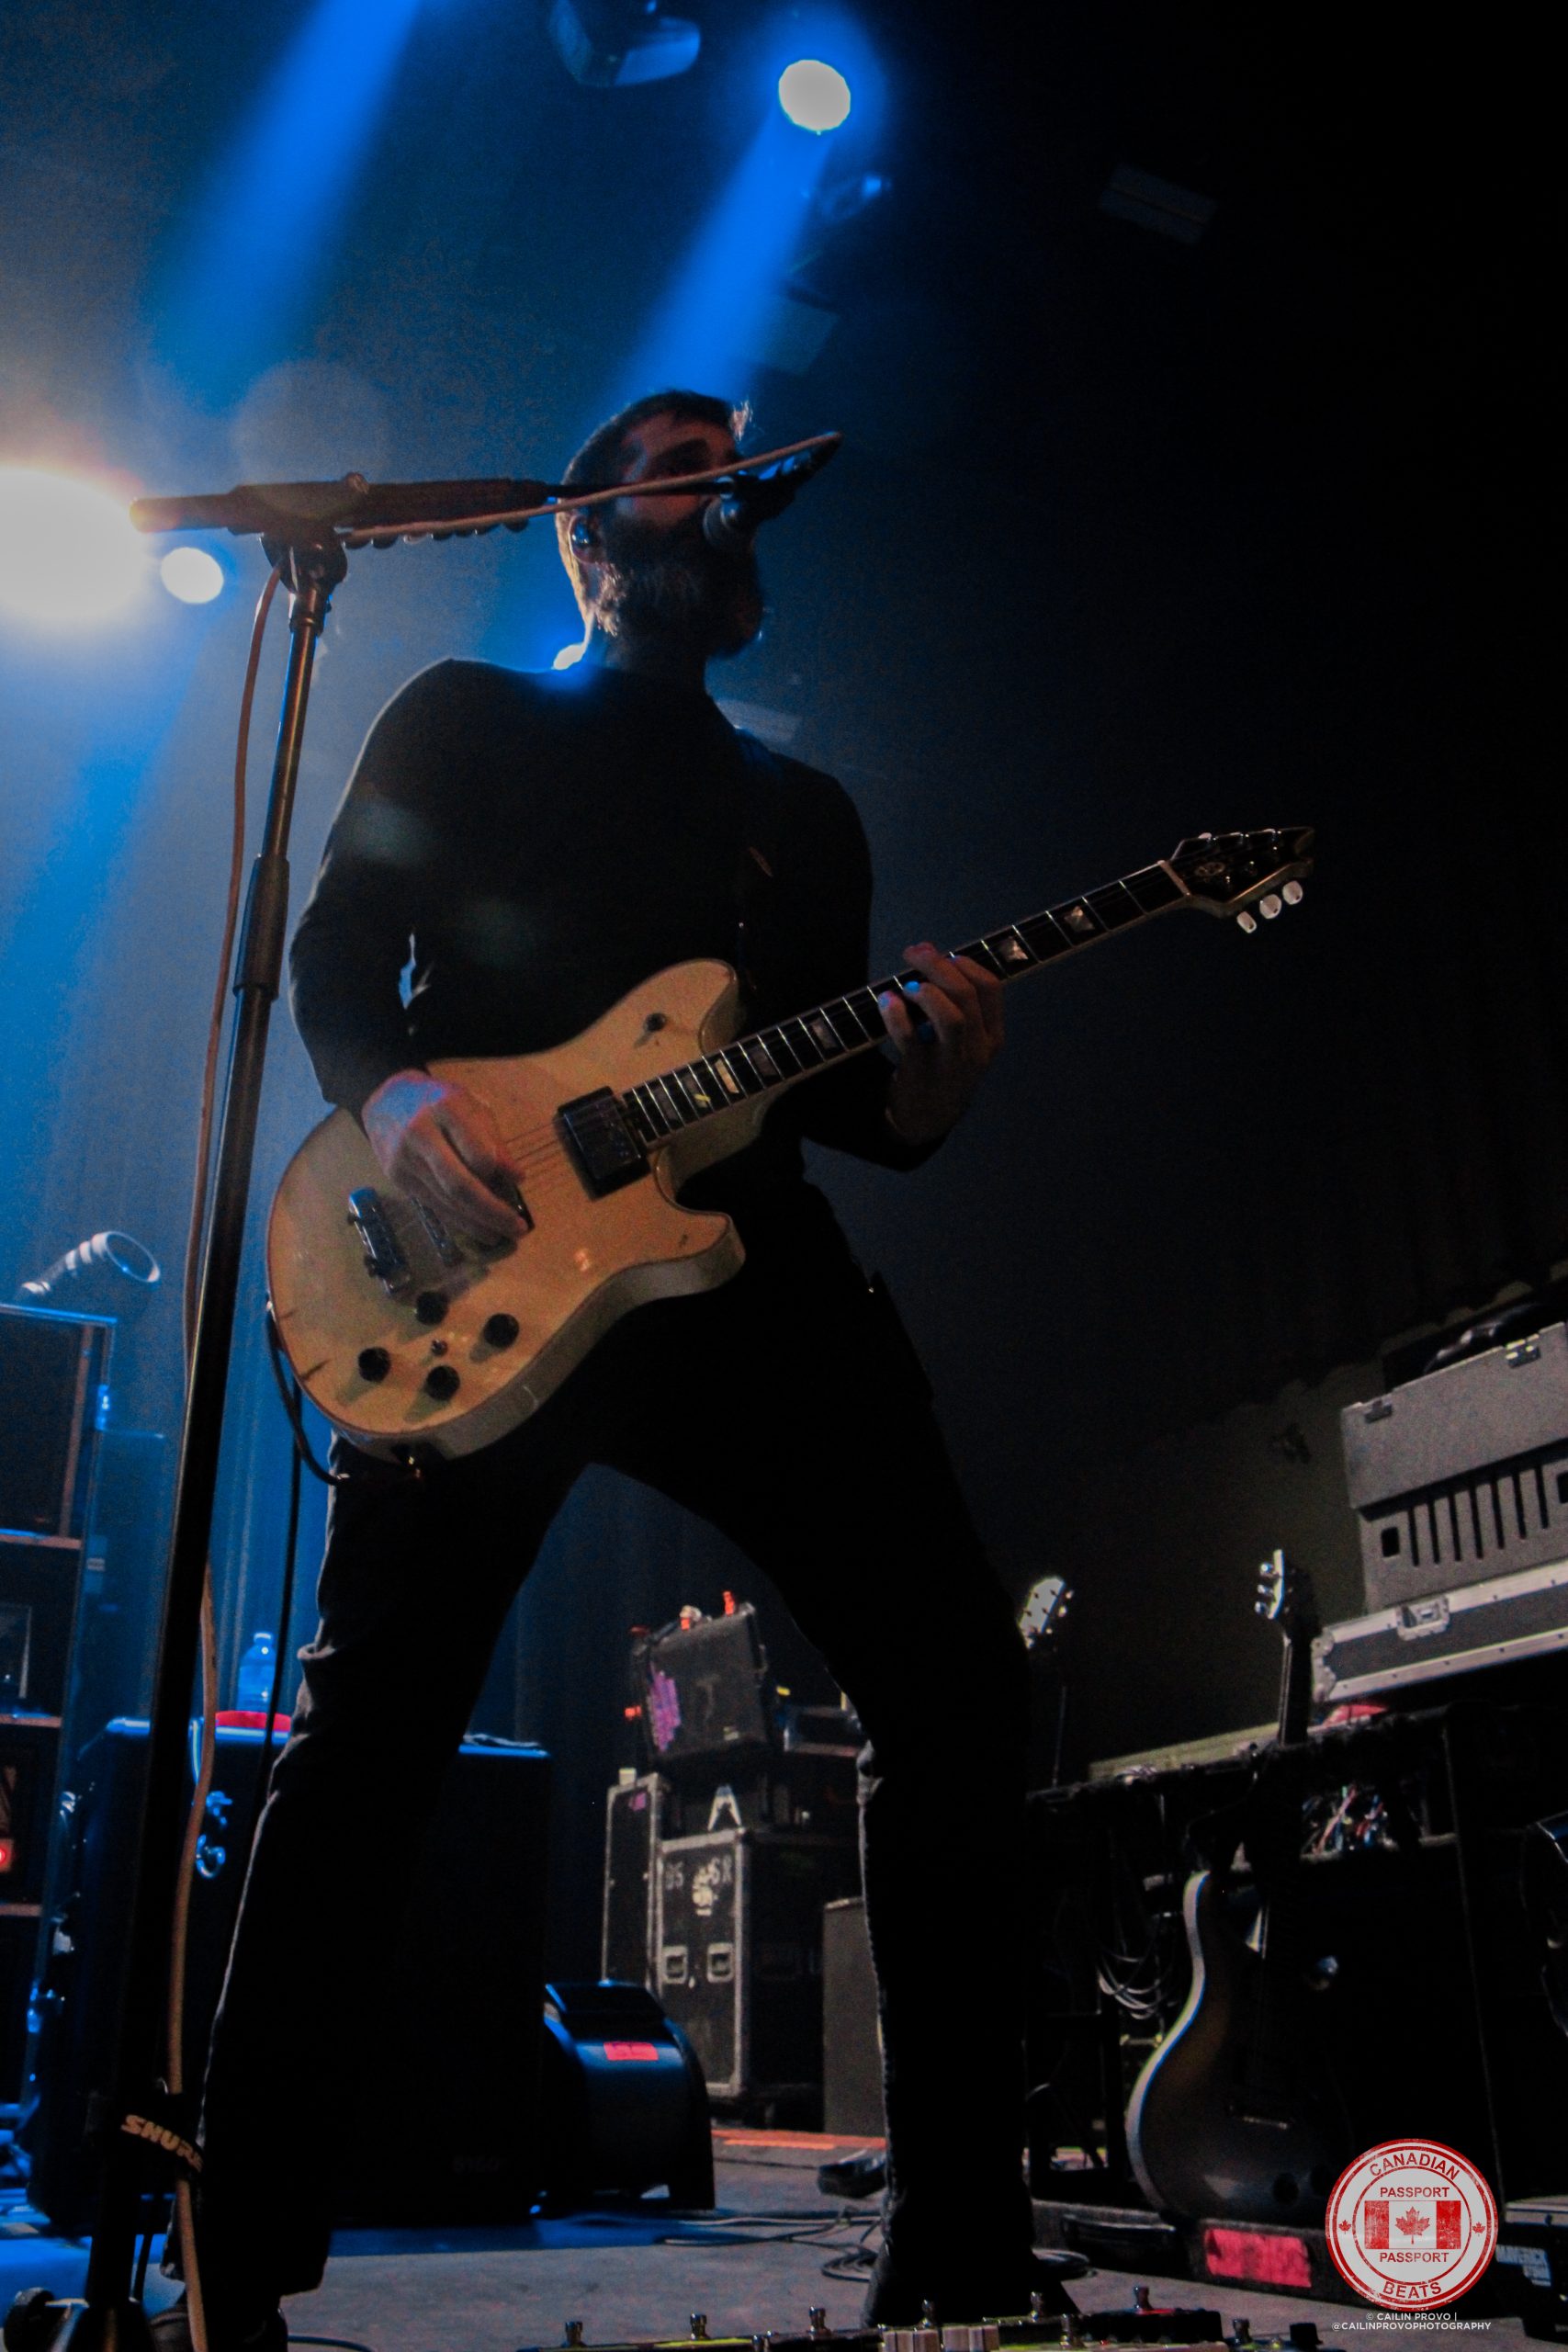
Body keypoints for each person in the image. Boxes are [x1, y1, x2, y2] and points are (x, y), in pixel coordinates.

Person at [153, 391, 1055, 2350]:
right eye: (674, 456)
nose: (723, 480)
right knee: (365, 1741)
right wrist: (395, 1100)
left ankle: (962, 2250)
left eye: (733, 462)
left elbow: (847, 1112)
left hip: (736, 1274)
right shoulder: (465, 716)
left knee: (959, 1686)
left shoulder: (799, 812)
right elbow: (336, 954)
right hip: (476, 1248)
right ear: (583, 528)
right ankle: (240, 2259)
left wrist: (935, 1081)